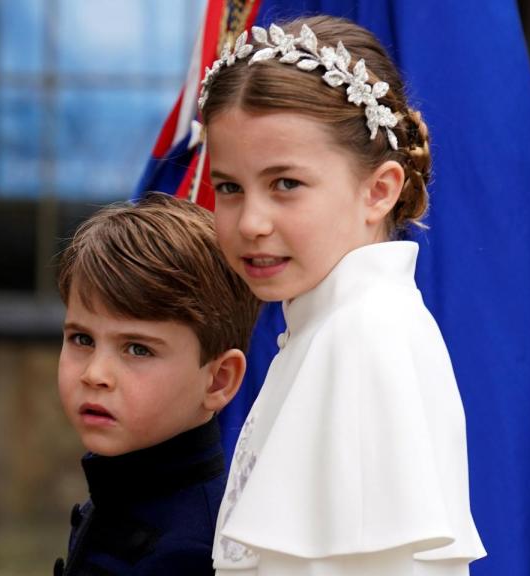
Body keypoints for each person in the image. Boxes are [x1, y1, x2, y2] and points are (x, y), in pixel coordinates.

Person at [199, 15, 487, 574]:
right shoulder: (331, 327)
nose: (251, 221)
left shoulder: (362, 337)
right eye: (229, 187)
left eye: (286, 184)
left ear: (378, 191)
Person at [53, 193, 261, 576]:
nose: (95, 374)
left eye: (137, 349)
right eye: (82, 339)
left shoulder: (192, 553)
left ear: (219, 379)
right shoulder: (119, 491)